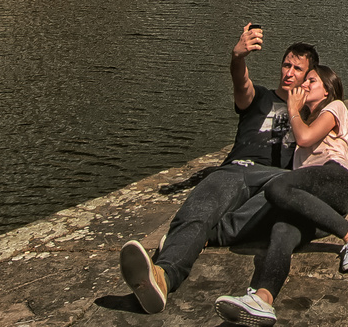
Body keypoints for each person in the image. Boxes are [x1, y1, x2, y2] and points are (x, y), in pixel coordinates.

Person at [118, 26, 318, 314]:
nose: (288, 72)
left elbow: (323, 147)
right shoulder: (259, 97)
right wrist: (238, 57)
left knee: (291, 198)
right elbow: (242, 83)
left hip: (276, 179)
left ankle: (193, 238)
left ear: (308, 77)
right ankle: (163, 277)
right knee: (200, 209)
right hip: (237, 170)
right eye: (286, 64)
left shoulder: (311, 113)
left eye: (297, 69)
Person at [213, 65, 348, 326]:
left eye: (312, 80)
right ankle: (263, 299)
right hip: (314, 201)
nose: (305, 84)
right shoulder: (305, 119)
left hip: (333, 182)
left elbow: (305, 137)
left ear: (327, 91)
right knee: (282, 232)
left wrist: (292, 109)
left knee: (277, 187)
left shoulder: (335, 107)